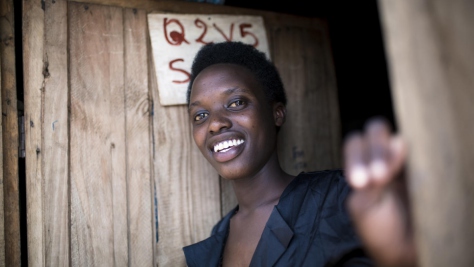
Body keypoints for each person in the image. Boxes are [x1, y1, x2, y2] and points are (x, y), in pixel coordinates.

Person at [183, 41, 416, 267]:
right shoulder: (219, 237)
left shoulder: (340, 198)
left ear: (277, 114)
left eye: (236, 103)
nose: (215, 124)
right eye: (200, 116)